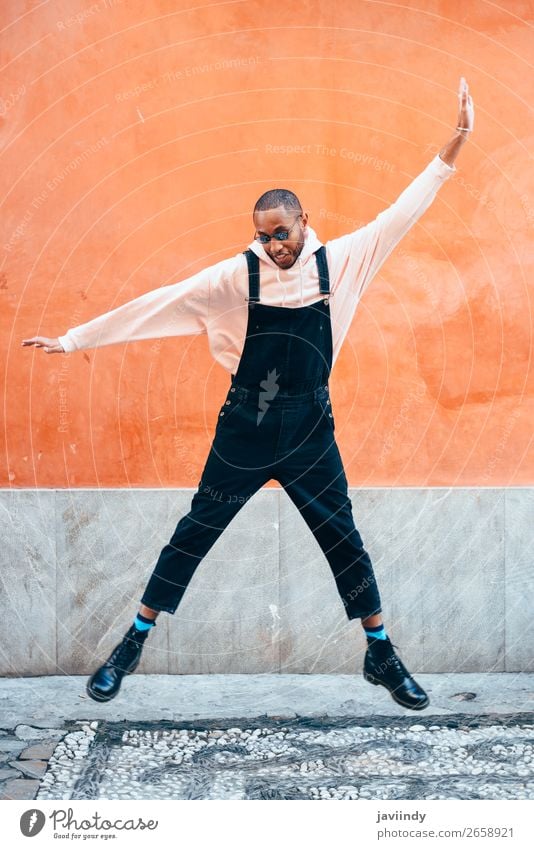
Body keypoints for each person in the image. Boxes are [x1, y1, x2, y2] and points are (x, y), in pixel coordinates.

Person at [23, 78, 474, 711]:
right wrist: (75, 340)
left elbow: (404, 209)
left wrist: (457, 139)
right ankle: (130, 645)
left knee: (342, 536)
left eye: (282, 232)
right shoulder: (235, 275)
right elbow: (161, 305)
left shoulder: (343, 261)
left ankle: (380, 652)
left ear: (303, 221)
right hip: (247, 426)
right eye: (264, 235)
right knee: (194, 532)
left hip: (311, 428)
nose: (274, 244)